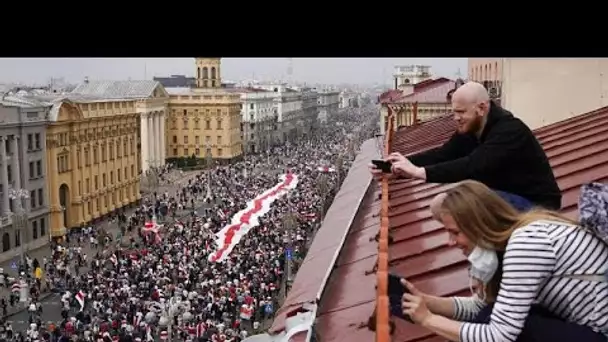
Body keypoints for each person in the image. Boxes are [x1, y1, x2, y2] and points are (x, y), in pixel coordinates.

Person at [400, 180, 608, 342]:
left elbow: (499, 336)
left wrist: (427, 319)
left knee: (493, 323)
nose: (450, 242)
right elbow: (478, 307)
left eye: (454, 232)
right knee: (488, 314)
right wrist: (428, 303)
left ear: (477, 224)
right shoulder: (519, 235)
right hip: (591, 329)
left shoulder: (526, 242)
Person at [370, 81, 561, 210]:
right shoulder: (474, 128)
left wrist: (420, 173)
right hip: (509, 200)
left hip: (538, 208)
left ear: (481, 108)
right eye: (454, 112)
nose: (456, 118)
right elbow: (444, 154)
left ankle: (489, 267)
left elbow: (474, 165)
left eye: (461, 112)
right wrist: (399, 167)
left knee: (465, 205)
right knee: (444, 205)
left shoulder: (509, 130)